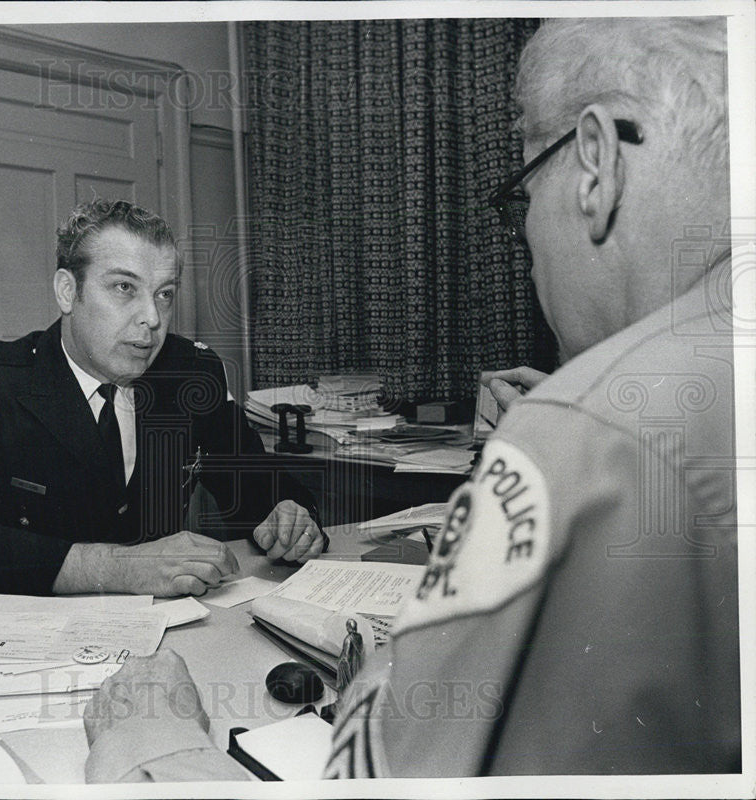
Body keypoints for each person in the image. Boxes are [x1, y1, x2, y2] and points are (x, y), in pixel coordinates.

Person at [80, 16, 741, 781]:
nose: (525, 247)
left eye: (521, 195)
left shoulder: (584, 433)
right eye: (123, 290)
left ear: (593, 165)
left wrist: (152, 737)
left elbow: (383, 778)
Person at [0, 199, 326, 599]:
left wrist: (291, 519)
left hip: (171, 634)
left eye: (164, 294)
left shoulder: (190, 375)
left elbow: (263, 491)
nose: (152, 318)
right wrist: (116, 568)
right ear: (67, 291)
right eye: (124, 288)